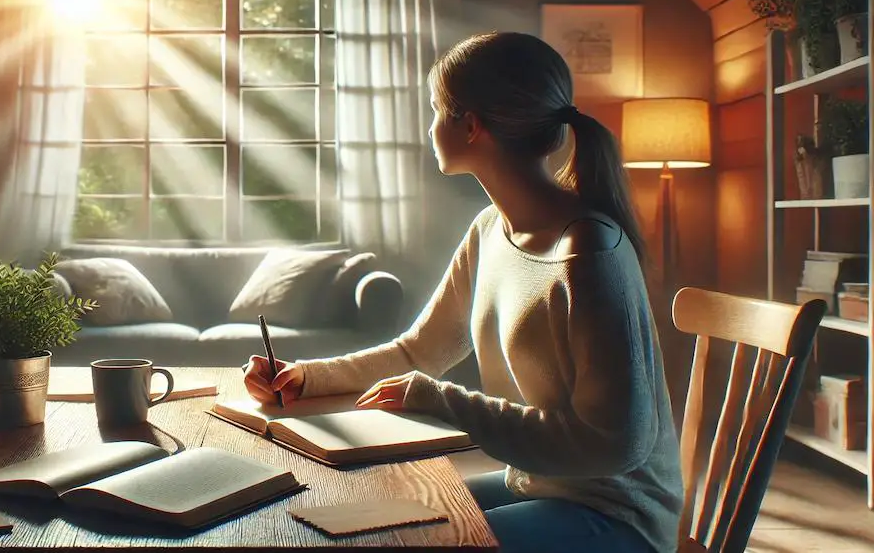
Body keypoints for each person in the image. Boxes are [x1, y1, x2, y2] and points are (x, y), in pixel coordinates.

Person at [243, 31, 682, 553]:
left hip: (617, 518)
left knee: (407, 543)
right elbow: (420, 352)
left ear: (470, 125)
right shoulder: (489, 230)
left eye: (435, 110)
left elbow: (617, 446)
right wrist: (307, 377)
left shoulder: (588, 253)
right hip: (538, 485)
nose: (428, 128)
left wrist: (442, 400)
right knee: (358, 517)